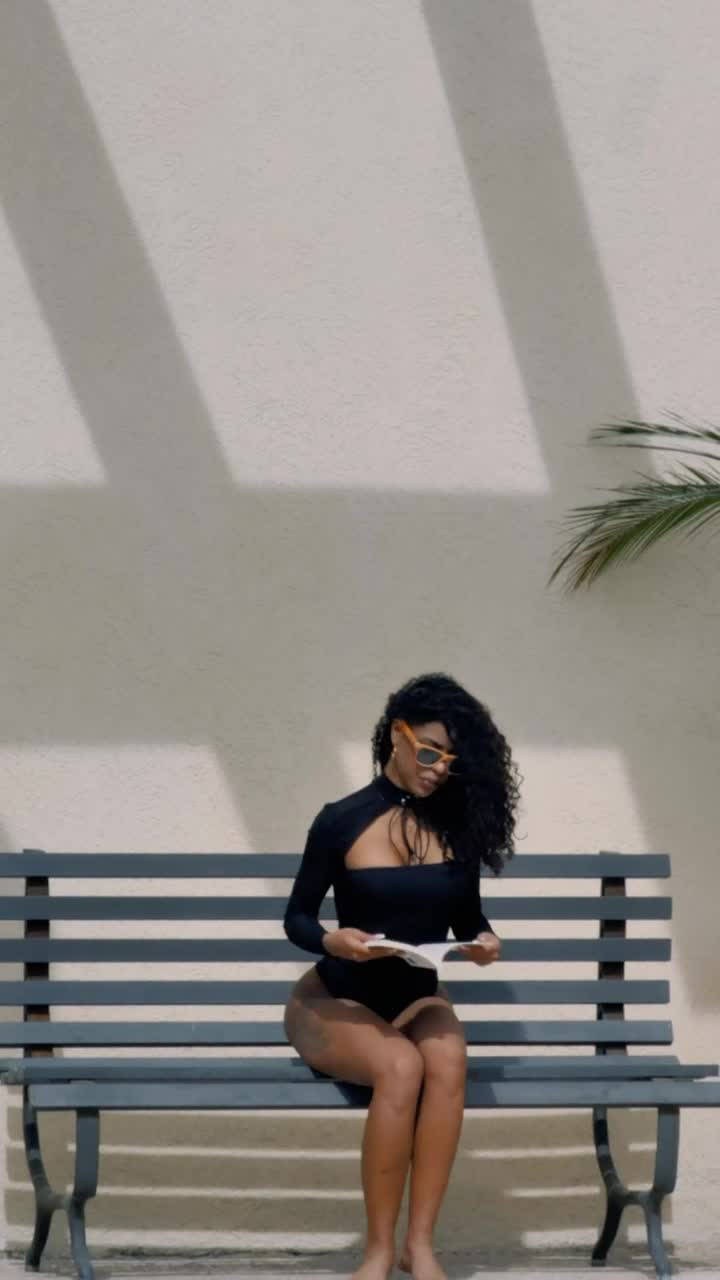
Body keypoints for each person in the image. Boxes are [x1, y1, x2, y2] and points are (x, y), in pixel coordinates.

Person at [283, 673, 520, 1280]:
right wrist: (331, 939)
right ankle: (378, 1254)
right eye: (430, 751)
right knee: (400, 1066)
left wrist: (484, 942)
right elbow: (297, 917)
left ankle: (421, 1248)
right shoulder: (341, 820)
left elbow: (467, 918)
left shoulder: (455, 828)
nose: (439, 768)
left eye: (451, 760)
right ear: (397, 735)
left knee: (446, 1058)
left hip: (416, 996)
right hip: (335, 1001)